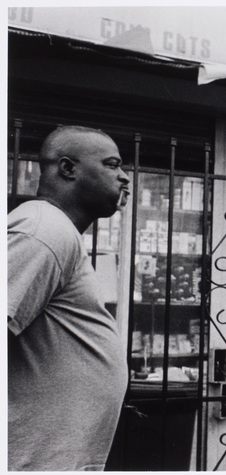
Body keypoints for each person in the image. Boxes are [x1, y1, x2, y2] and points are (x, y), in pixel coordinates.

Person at [7, 125, 131, 470]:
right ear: (67, 168)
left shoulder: (56, 230)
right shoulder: (44, 230)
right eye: (111, 164)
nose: (124, 177)